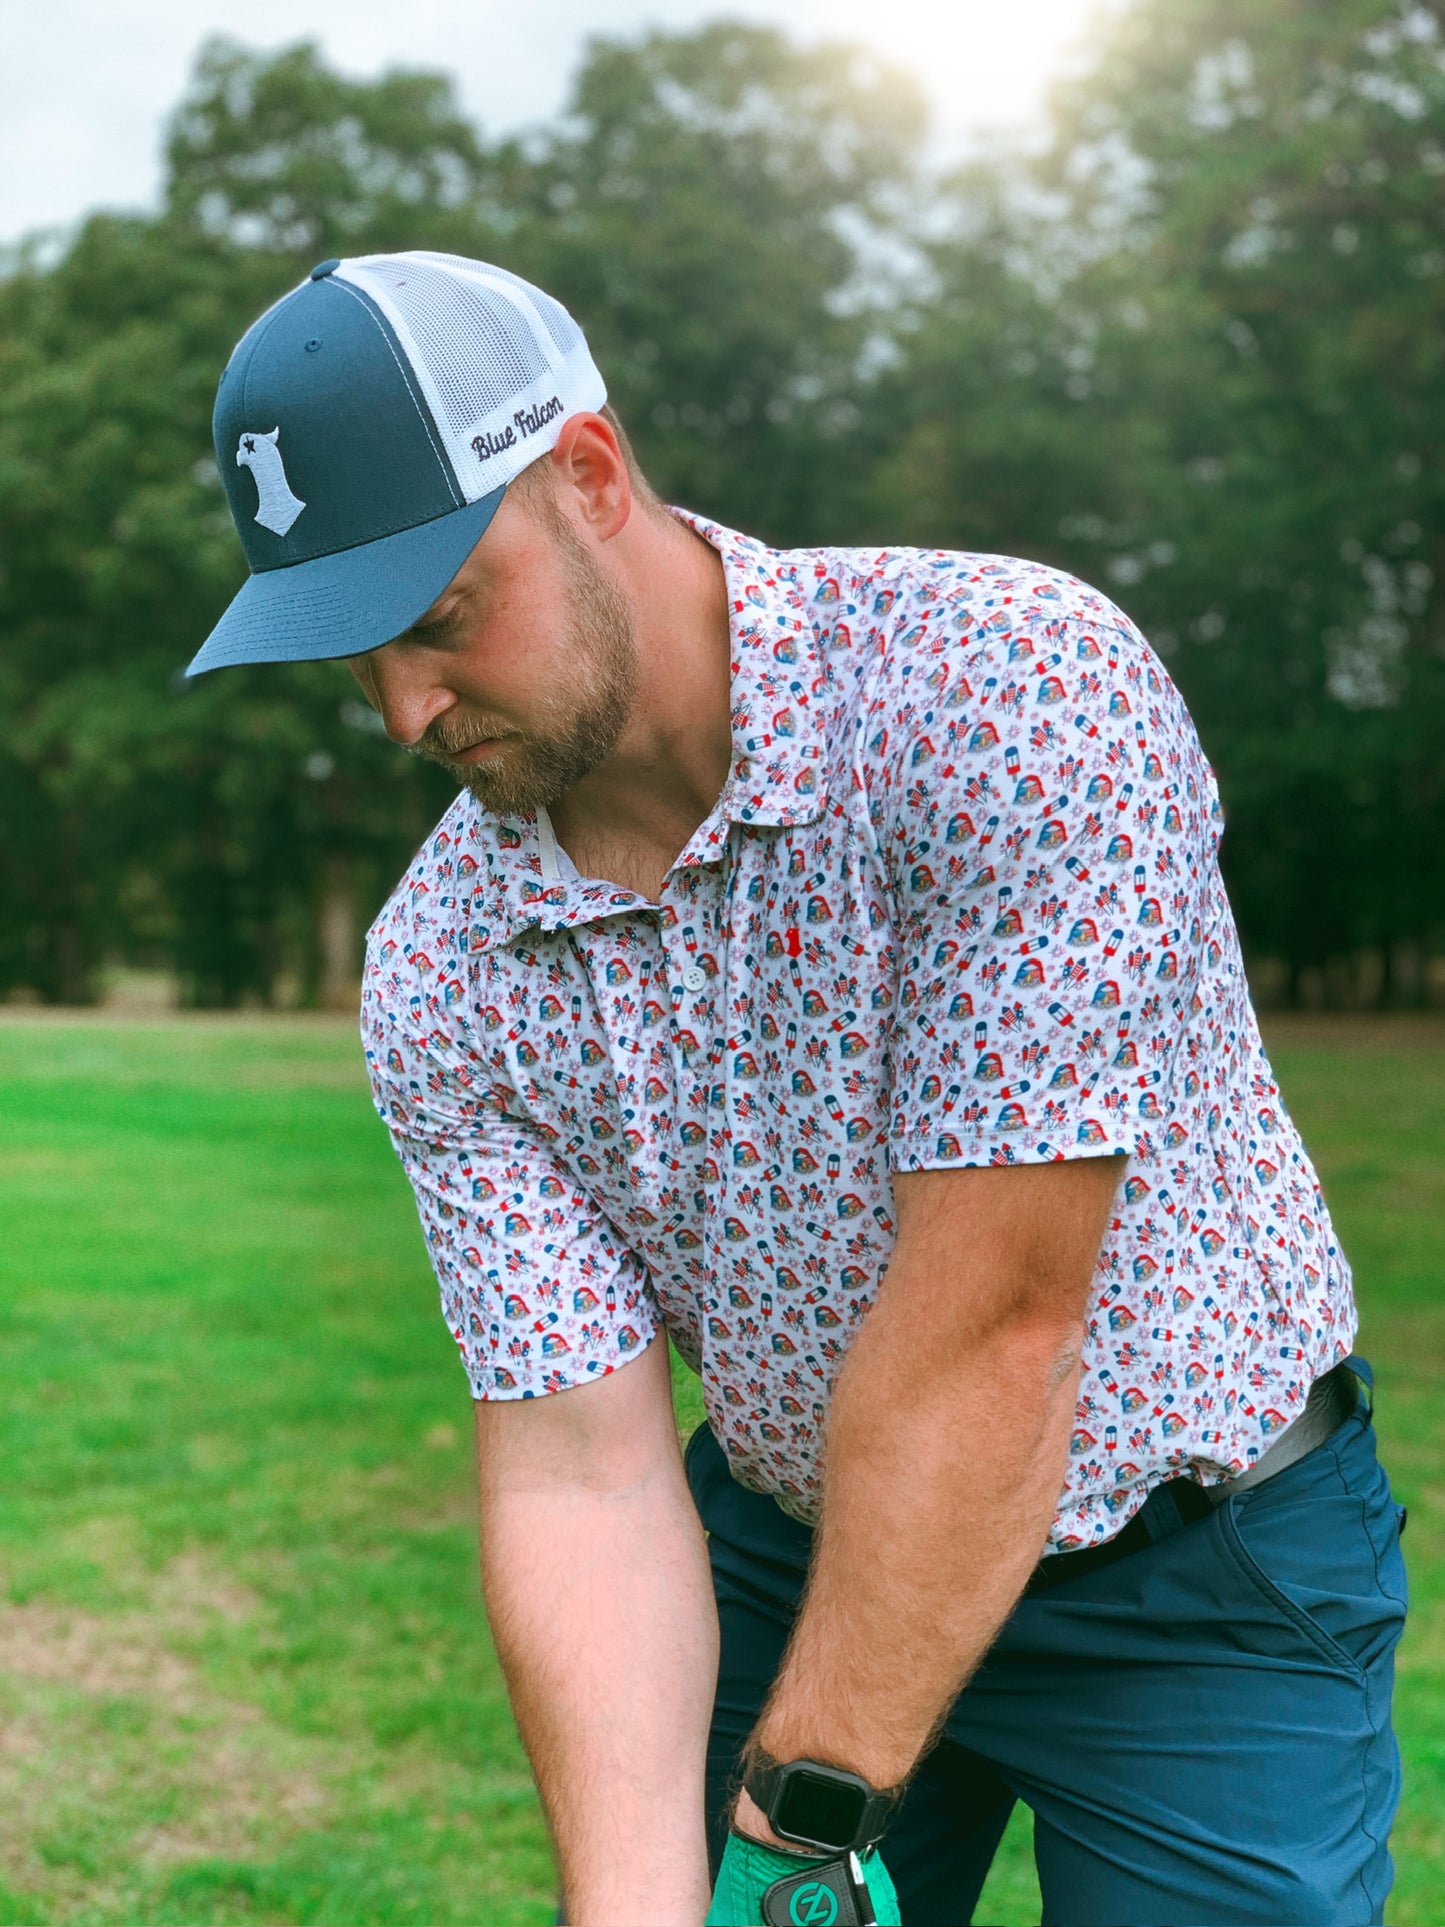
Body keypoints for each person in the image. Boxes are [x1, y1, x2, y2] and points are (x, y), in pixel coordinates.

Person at [189, 251, 1409, 1927]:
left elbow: (996, 1330)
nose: (404, 707)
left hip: (1197, 1566)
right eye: (351, 652)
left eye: (439, 617)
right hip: (795, 1541)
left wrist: (796, 1831)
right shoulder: (441, 968)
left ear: (591, 477)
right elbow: (580, 1470)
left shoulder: (1007, 689)